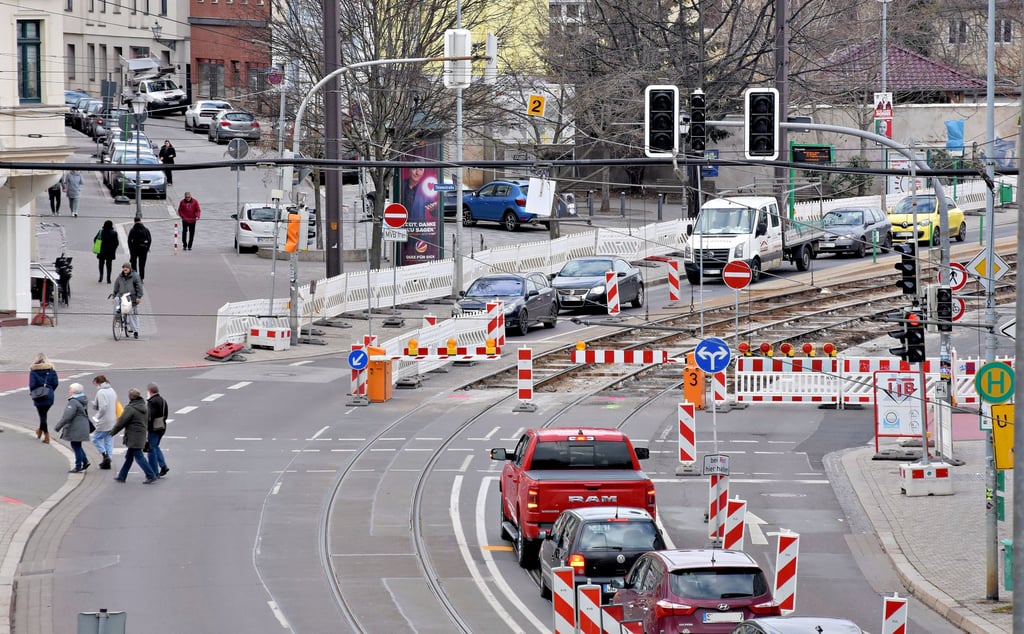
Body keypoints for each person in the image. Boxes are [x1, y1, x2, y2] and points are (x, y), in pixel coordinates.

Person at [110, 388, 158, 484]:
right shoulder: (144, 407)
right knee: (129, 457)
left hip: (133, 437)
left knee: (138, 456)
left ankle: (150, 475)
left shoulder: (130, 408)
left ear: (130, 397)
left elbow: (121, 423)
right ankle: (122, 476)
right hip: (141, 435)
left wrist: (112, 432)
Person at [54, 383, 91, 473]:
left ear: (74, 391)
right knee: (77, 445)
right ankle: (85, 461)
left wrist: (58, 427)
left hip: (76, 427)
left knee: (75, 445)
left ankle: (78, 465)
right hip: (82, 426)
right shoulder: (83, 399)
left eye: (70, 389)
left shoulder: (73, 402)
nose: (69, 391)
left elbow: (67, 416)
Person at [28, 353, 59, 443]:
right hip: (49, 394)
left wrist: (34, 392)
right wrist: (50, 390)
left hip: (38, 395)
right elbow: (56, 383)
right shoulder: (51, 370)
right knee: (44, 415)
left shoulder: (33, 371)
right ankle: (40, 430)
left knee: (42, 416)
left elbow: (32, 385)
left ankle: (46, 435)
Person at [90, 375, 118, 470]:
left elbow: (103, 407)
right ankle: (108, 460)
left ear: (98, 382)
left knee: (96, 438)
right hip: (112, 419)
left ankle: (105, 455)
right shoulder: (112, 390)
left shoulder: (101, 392)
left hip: (104, 420)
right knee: (108, 440)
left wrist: (96, 417)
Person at [112, 262, 143, 339]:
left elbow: (139, 287)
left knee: (132, 314)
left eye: (126, 267)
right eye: (124, 267)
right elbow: (116, 287)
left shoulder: (135, 276)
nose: (125, 269)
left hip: (131, 297)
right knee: (116, 299)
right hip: (121, 296)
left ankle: (135, 331)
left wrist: (139, 297)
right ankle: (117, 316)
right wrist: (114, 295)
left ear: (129, 268)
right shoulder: (120, 277)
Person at [146, 382, 169, 477]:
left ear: (150, 391)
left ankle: (155, 470)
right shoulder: (163, 400)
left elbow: (150, 416)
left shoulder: (152, 402)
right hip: (162, 427)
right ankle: (163, 465)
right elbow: (166, 414)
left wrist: (146, 426)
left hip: (154, 428)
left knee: (152, 448)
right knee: (156, 446)